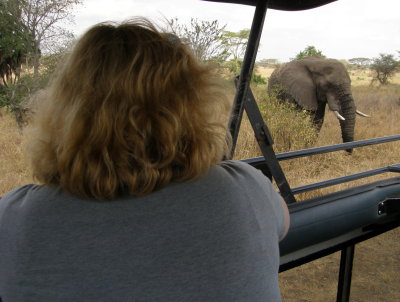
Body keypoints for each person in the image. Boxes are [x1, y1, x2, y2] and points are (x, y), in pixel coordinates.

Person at [0, 18, 289, 301]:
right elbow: (282, 225)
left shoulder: (17, 218)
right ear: (195, 106)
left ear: (63, 110)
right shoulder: (246, 189)